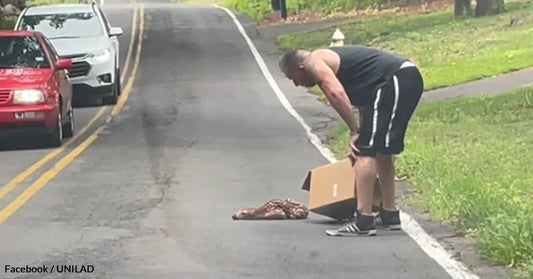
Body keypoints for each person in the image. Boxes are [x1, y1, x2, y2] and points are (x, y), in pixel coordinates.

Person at [278, 45, 424, 236]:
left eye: (293, 78)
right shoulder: (341, 68)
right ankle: (389, 214)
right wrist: (361, 129)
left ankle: (363, 219)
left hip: (394, 79)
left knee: (365, 150)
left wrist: (354, 131)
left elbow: (336, 94)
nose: (297, 85)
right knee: (381, 150)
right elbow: (366, 102)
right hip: (401, 79)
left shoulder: (314, 61)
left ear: (300, 68)